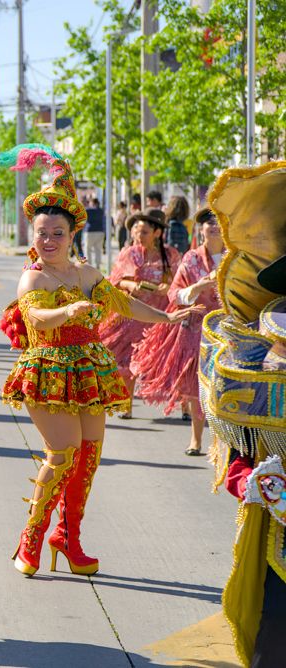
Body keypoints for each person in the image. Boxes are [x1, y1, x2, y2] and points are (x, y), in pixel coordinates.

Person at [0, 144, 198, 578]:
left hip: (87, 372)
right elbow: (35, 316)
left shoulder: (86, 275)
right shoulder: (33, 275)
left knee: (88, 457)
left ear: (72, 236)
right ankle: (30, 537)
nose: (47, 241)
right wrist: (66, 312)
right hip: (47, 370)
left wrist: (165, 315)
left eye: (56, 233)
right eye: (41, 232)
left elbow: (123, 304)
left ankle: (68, 539)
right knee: (63, 453)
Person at [198, 161, 286, 666]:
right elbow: (237, 443)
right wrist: (253, 480)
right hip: (281, 530)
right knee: (276, 632)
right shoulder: (257, 348)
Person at [131, 207, 223, 455]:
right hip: (196, 330)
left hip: (229, 332)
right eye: (207, 222)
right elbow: (176, 293)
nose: (213, 226)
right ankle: (196, 438)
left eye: (218, 222)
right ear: (200, 228)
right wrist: (198, 287)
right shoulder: (191, 259)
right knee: (195, 385)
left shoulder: (236, 259)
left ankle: (225, 442)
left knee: (223, 387)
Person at [99, 208, 182, 418]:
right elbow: (116, 280)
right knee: (126, 361)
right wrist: (131, 285)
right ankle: (125, 407)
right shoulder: (130, 252)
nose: (138, 235)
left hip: (160, 316)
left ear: (157, 233)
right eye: (137, 231)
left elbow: (180, 282)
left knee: (174, 362)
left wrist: (168, 287)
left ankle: (185, 407)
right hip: (131, 314)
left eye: (144, 231)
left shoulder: (171, 254)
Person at [84, 197, 106, 268]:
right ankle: (98, 265)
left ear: (92, 203)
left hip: (90, 231)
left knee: (88, 249)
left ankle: (89, 265)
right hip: (100, 231)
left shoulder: (88, 210)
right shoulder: (101, 211)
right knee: (98, 249)